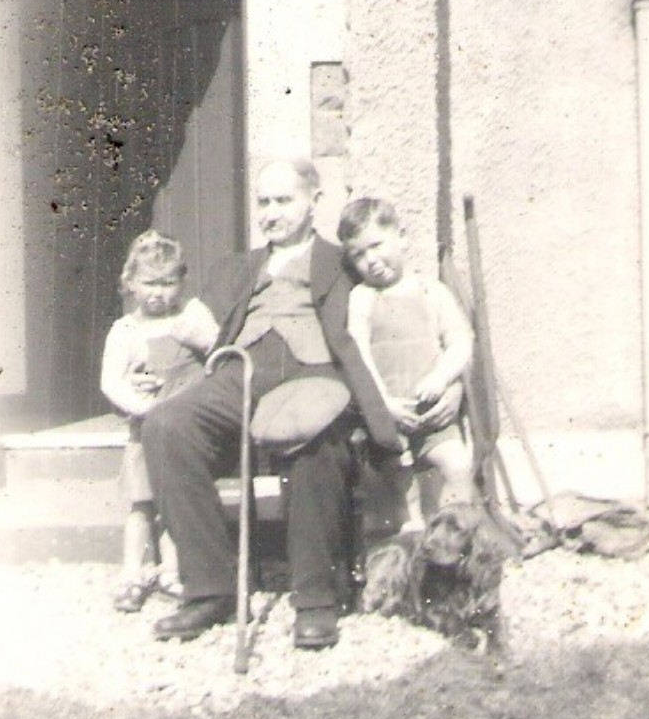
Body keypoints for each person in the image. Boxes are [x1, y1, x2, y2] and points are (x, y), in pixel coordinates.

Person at [142, 158, 429, 650]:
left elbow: (398, 307)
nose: (270, 212)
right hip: (239, 371)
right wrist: (151, 365)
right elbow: (191, 329)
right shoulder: (237, 267)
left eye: (283, 200)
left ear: (314, 202)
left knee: (317, 436)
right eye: (263, 202)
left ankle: (316, 597)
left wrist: (390, 398)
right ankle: (210, 587)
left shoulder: (342, 262)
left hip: (314, 372)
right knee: (167, 425)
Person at [101, 229, 220, 613]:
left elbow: (219, 350)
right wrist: (140, 406)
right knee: (141, 505)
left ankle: (172, 568)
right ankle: (132, 572)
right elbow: (111, 381)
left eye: (168, 283)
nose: (159, 292)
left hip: (185, 431)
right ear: (130, 284)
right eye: (149, 283)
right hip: (146, 427)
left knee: (176, 502)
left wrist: (205, 341)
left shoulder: (191, 316)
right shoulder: (127, 330)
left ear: (181, 280)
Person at [338, 196, 474, 524]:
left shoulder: (432, 291)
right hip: (390, 419)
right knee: (400, 486)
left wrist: (442, 378)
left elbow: (461, 341)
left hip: (433, 415)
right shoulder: (363, 299)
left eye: (376, 245)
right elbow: (359, 356)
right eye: (358, 254)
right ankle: (409, 541)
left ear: (402, 236)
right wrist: (382, 403)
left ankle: (457, 538)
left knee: (458, 466)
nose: (370, 260)